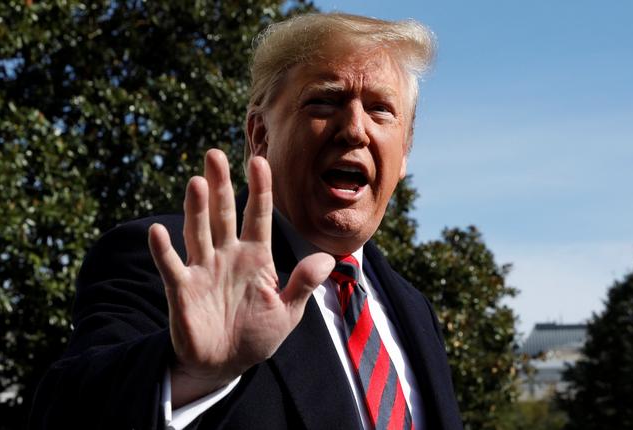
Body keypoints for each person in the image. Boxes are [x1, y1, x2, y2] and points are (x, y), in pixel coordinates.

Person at [31, 12, 462, 430]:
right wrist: (190, 374)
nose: (354, 129)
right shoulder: (171, 262)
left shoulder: (414, 310)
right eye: (324, 101)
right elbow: (65, 413)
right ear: (260, 135)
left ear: (404, 151)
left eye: (380, 110)